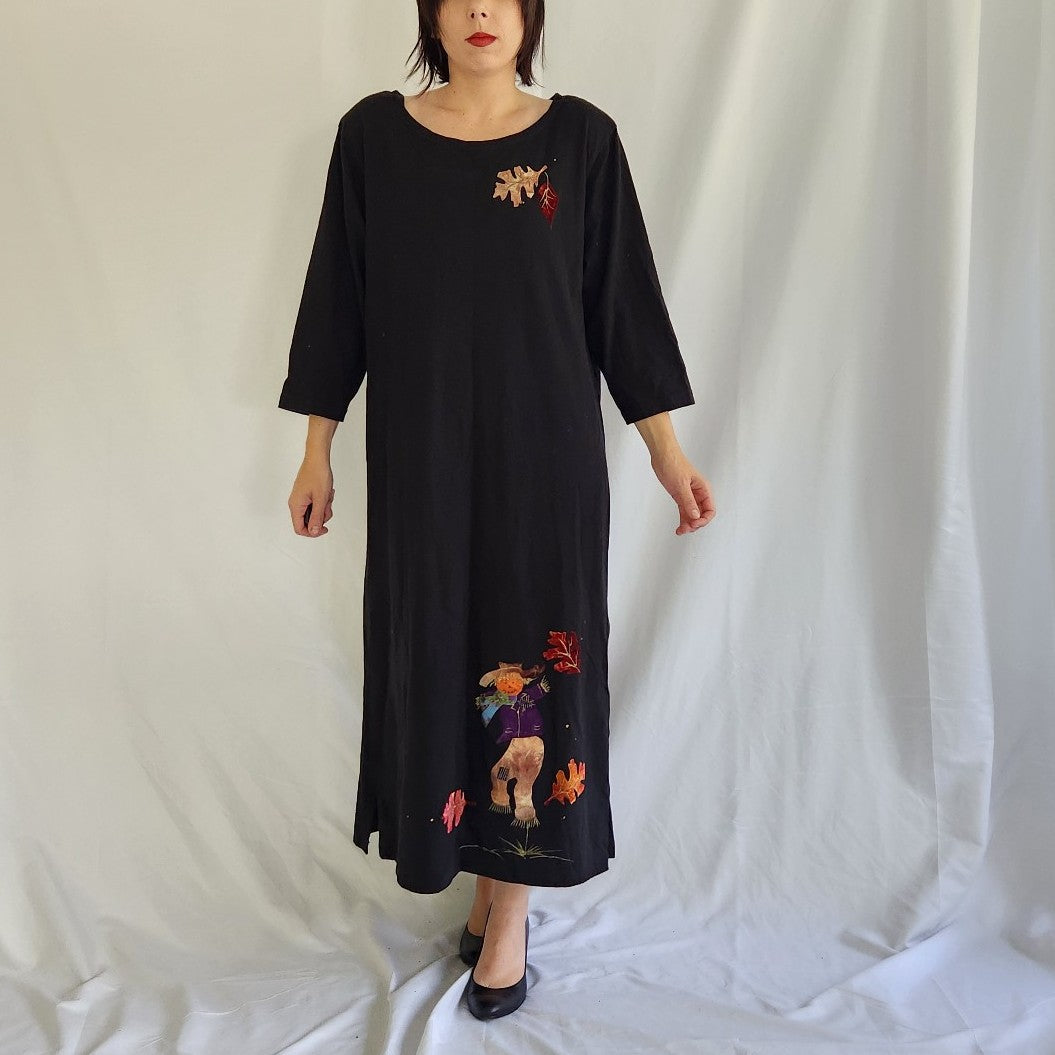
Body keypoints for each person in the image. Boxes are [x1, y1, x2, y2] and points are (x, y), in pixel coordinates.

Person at [277, 0, 716, 1021]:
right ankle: (476, 878)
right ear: (429, 13)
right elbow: (337, 298)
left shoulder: (580, 141)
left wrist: (665, 450)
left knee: (531, 659)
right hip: (421, 462)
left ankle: (510, 905)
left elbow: (621, 306)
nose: (481, 10)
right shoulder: (373, 139)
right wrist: (314, 449)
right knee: (438, 653)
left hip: (544, 466)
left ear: (529, 14)